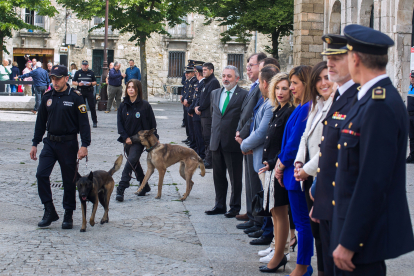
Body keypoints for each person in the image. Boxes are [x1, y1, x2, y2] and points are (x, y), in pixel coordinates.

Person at [331, 24, 414, 276]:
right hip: (350, 227)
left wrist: (350, 241)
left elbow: (372, 181)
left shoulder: (380, 104)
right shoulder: (367, 98)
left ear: (354, 58)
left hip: (361, 239)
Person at [310, 34, 360, 276]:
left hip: (345, 209)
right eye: (328, 58)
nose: (330, 64)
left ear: (354, 60)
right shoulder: (339, 96)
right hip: (329, 204)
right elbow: (327, 154)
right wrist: (319, 201)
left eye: (337, 58)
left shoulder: (359, 99)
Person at [29, 65, 91, 229]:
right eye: (52, 78)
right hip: (50, 142)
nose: (54, 82)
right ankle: (49, 210)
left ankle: (68, 214)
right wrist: (35, 143)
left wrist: (84, 145)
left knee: (69, 181)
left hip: (69, 143)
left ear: (65, 78)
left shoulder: (75, 97)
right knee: (41, 174)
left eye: (57, 78)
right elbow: (40, 122)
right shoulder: (47, 96)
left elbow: (84, 124)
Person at [293, 61, 334, 276]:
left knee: (325, 232)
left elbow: (329, 146)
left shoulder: (335, 106)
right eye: (318, 79)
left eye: (327, 77)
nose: (322, 83)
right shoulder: (316, 105)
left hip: (322, 175)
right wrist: (299, 161)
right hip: (307, 173)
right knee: (316, 230)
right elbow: (305, 136)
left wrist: (306, 168)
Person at [274, 65, 313, 276]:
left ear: (306, 84)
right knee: (300, 221)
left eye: (295, 83)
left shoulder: (307, 107)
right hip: (290, 172)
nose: (291, 87)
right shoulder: (300, 107)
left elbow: (295, 143)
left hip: (296, 172)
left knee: (302, 223)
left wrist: (280, 165)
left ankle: (303, 266)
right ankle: (304, 263)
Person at [257, 72, 296, 272]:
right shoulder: (278, 110)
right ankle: (277, 251)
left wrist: (273, 163)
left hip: (280, 167)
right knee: (275, 212)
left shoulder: (290, 111)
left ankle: (280, 255)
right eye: (278, 88)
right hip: (272, 166)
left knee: (281, 213)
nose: (280, 92)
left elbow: (288, 143)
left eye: (285, 88)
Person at [205, 65, 248, 217]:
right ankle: (219, 205)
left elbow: (245, 118)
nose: (225, 79)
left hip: (232, 142)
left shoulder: (243, 95)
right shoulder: (215, 93)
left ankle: (235, 207)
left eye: (229, 76)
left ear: (237, 78)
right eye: (224, 75)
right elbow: (214, 116)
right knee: (218, 176)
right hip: (216, 141)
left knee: (235, 177)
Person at [239, 66, 275, 245]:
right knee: (263, 196)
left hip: (263, 157)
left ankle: (267, 232)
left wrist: (245, 144)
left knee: (268, 200)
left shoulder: (270, 104)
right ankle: (263, 228)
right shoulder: (266, 101)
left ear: (265, 83)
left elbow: (261, 132)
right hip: (257, 154)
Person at [235, 52, 267, 231]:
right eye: (247, 65)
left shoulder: (260, 89)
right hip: (246, 137)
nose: (248, 68)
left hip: (251, 139)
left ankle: (257, 217)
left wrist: (243, 134)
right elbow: (246, 114)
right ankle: (250, 212)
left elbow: (255, 117)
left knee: (255, 181)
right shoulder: (254, 86)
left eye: (251, 65)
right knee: (249, 179)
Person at [116, 79, 157, 201]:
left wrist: (155, 139)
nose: (131, 89)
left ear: (138, 89)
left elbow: (152, 125)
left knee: (130, 162)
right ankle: (144, 186)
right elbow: (120, 124)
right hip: (127, 140)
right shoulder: (123, 105)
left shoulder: (145, 105)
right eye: (129, 87)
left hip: (139, 141)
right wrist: (125, 138)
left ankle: (121, 188)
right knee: (135, 163)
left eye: (133, 87)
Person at [195, 62, 221, 168]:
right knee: (205, 137)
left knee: (209, 137)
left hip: (208, 115)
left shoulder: (213, 82)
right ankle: (207, 158)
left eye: (206, 70)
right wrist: (196, 106)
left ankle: (210, 161)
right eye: (203, 70)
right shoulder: (206, 82)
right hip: (204, 114)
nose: (204, 71)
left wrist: (200, 108)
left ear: (212, 71)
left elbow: (208, 99)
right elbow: (200, 96)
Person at [72, 60, 98, 128]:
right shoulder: (78, 73)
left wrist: (91, 83)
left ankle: (94, 121)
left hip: (89, 91)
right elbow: (73, 82)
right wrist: (78, 84)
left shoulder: (91, 73)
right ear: (81, 65)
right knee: (80, 107)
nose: (84, 66)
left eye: (86, 65)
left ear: (88, 65)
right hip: (81, 91)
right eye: (83, 65)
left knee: (92, 107)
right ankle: (80, 121)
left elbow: (95, 82)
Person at [187, 65, 205, 160]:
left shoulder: (202, 84)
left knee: (199, 135)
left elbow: (198, 99)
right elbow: (195, 97)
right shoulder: (199, 83)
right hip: (194, 112)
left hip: (198, 113)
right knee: (196, 134)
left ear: (197, 73)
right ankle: (198, 151)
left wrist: (192, 109)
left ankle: (201, 154)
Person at [180, 66, 198, 149]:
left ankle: (193, 142)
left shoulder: (195, 81)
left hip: (190, 105)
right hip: (186, 104)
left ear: (193, 73)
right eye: (186, 73)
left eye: (188, 73)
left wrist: (188, 100)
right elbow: (185, 91)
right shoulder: (188, 81)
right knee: (187, 124)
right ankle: (190, 139)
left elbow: (193, 94)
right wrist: (182, 98)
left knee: (191, 126)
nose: (186, 74)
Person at [407, 71, 414, 163]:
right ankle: (412, 156)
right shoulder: (409, 87)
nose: (412, 78)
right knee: (411, 138)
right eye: (411, 77)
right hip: (409, 115)